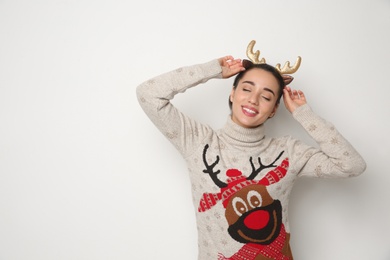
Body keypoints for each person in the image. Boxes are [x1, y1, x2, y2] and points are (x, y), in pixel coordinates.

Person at [136, 47, 366, 259]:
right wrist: (212, 70)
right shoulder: (197, 141)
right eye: (246, 89)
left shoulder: (289, 152)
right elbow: (148, 94)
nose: (253, 100)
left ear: (275, 109)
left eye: (266, 97)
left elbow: (352, 165)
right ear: (232, 93)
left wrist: (303, 114)